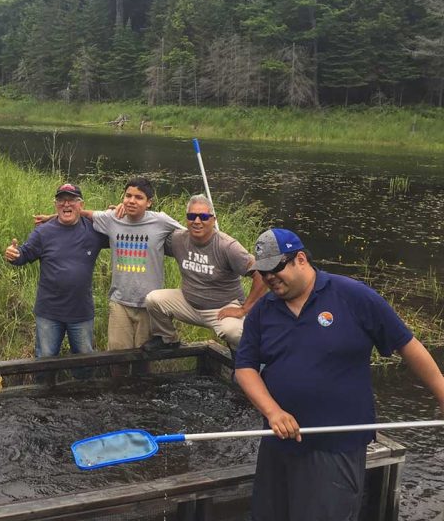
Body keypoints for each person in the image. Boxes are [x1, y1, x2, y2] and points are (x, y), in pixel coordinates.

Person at [235, 228, 444, 521]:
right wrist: (273, 412)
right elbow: (245, 367)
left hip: (335, 447)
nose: (269, 277)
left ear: (301, 259)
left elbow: (408, 346)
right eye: (263, 271)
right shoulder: (263, 311)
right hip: (278, 444)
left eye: (275, 268)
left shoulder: (352, 296)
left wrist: (442, 393)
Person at [142, 194, 267, 351]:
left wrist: (244, 309)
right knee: (153, 299)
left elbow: (261, 274)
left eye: (203, 217)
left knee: (235, 332)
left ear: (213, 219)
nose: (197, 221)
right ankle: (168, 338)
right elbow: (149, 232)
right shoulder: (177, 239)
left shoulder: (227, 246)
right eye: (192, 216)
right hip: (189, 303)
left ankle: (252, 359)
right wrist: (123, 213)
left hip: (221, 308)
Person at [4, 183, 108, 359]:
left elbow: (121, 227)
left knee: (84, 364)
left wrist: (115, 212)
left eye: (72, 200)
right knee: (44, 362)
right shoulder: (43, 233)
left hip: (81, 312)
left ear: (81, 205)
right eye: (61, 200)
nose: (66, 204)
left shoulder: (94, 230)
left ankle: (81, 387)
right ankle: (44, 387)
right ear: (55, 204)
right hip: (49, 313)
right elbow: (24, 254)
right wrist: (14, 254)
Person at [89, 177, 183, 350]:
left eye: (138, 197)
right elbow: (83, 213)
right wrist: (51, 217)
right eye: (128, 196)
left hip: (149, 304)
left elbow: (188, 234)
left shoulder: (161, 221)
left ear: (149, 203)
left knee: (143, 355)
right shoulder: (112, 218)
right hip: (120, 301)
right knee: (117, 355)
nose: (132, 201)